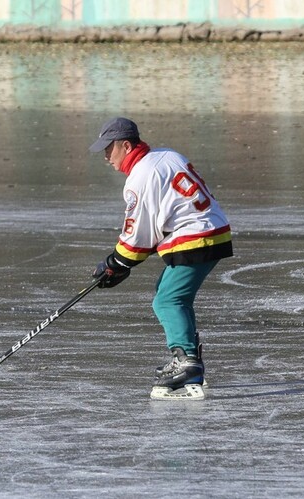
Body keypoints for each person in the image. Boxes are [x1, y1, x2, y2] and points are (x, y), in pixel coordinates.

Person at [89, 117, 233, 399]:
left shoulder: (139, 177)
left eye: (109, 149)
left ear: (126, 145)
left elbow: (138, 235)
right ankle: (191, 359)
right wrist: (122, 263)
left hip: (194, 238)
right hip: (213, 232)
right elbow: (161, 218)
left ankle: (186, 363)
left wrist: (115, 263)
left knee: (167, 300)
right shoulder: (166, 155)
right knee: (173, 296)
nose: (106, 157)